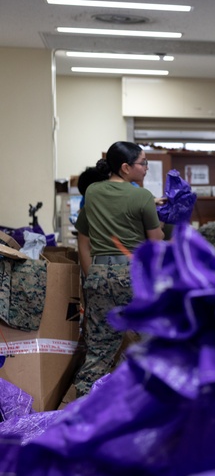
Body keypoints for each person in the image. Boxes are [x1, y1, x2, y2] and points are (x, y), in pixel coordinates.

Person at [71, 141, 164, 395]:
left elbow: (84, 241)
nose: (146, 168)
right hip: (134, 275)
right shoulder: (141, 196)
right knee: (153, 345)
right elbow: (155, 243)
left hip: (99, 275)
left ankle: (81, 417)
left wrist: (94, 276)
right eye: (143, 163)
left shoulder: (92, 192)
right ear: (125, 168)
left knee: (99, 350)